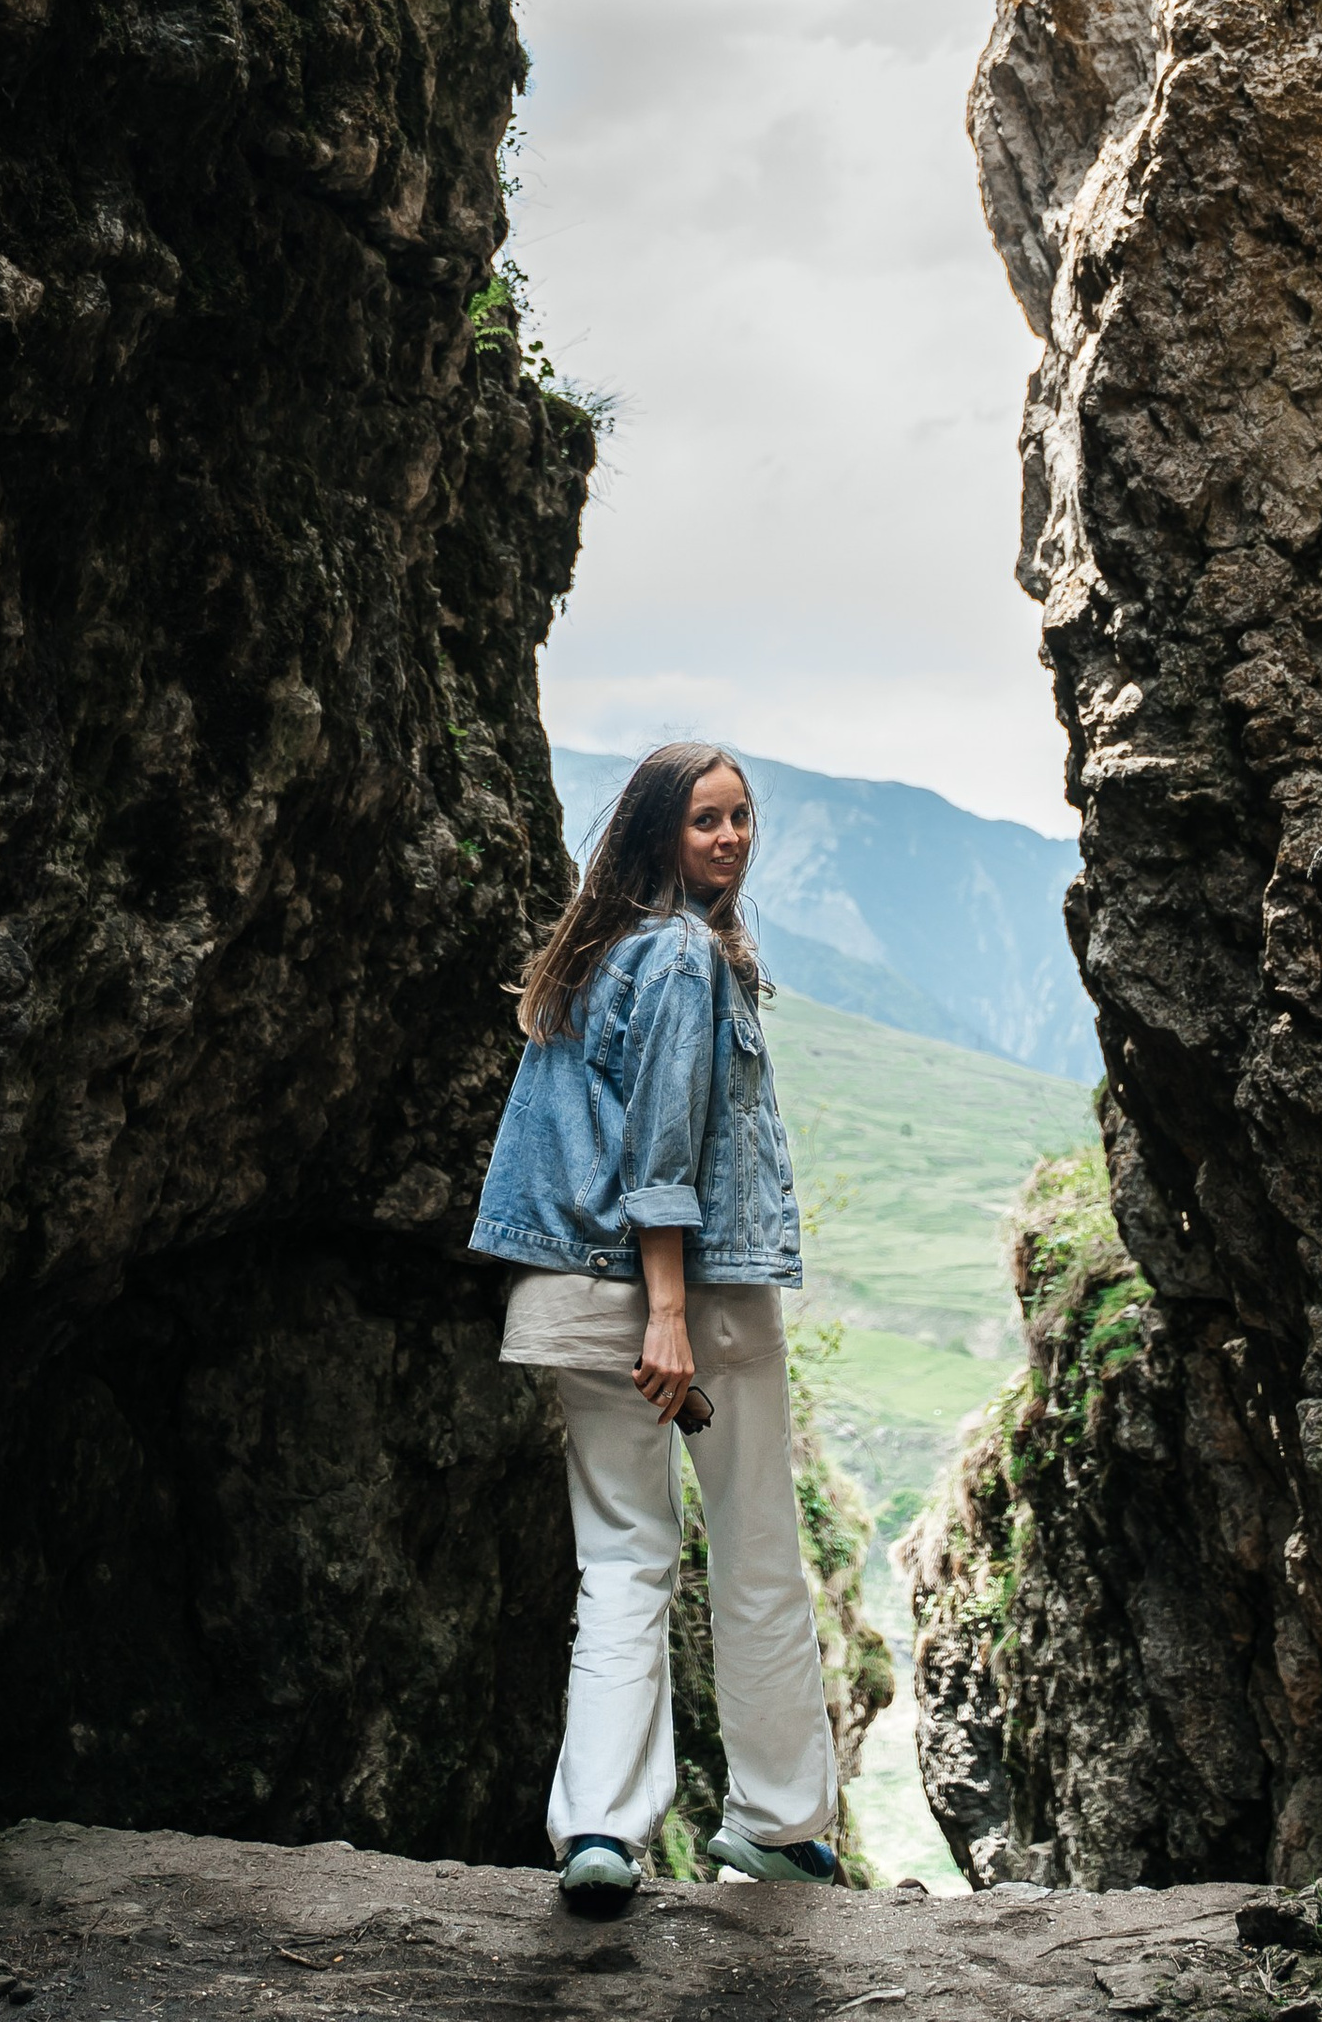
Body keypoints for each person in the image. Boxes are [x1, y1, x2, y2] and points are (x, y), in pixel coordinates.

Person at [470, 739, 844, 1908]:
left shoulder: (587, 958)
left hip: (572, 1303)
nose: (729, 840)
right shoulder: (685, 956)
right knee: (754, 1554)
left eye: (741, 819)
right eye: (706, 823)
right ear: (658, 836)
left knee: (621, 1559)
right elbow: (664, 1156)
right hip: (691, 1306)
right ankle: (780, 1823)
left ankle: (598, 1830)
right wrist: (670, 1315)